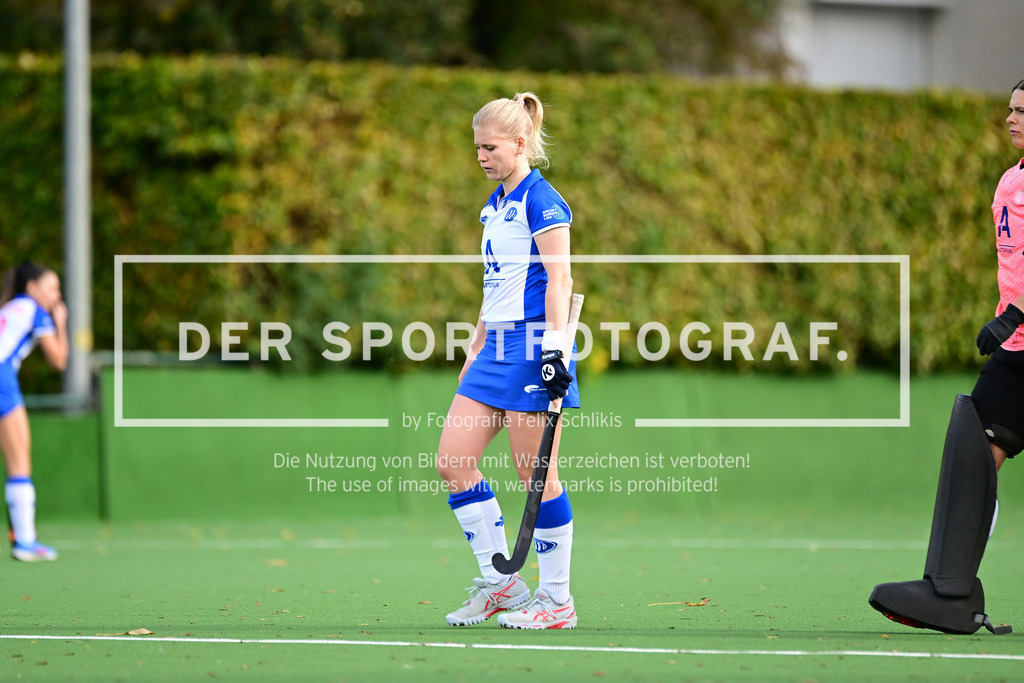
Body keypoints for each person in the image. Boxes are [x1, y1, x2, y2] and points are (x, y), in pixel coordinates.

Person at [868, 79, 1024, 636]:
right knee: (978, 446)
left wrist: (1016, 312)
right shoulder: (1011, 181)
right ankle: (951, 592)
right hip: (1020, 348)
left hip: (1019, 330)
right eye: (1009, 109)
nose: (1011, 119)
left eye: (1021, 112)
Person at [435, 91, 579, 629]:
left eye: (489, 147)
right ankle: (502, 584)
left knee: (536, 476)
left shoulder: (543, 201)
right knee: (453, 461)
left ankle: (557, 600)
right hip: (493, 349)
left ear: (520, 144)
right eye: (476, 147)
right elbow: (496, 285)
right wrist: (474, 346)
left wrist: (555, 350)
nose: (480, 156)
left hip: (533, 347)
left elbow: (559, 279)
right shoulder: (494, 206)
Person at [0, 262, 67, 562]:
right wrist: (61, 323)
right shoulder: (36, 311)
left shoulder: (10, 307)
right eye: (52, 287)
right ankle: (25, 541)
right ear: (32, 288)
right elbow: (59, 361)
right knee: (19, 462)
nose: (56, 295)